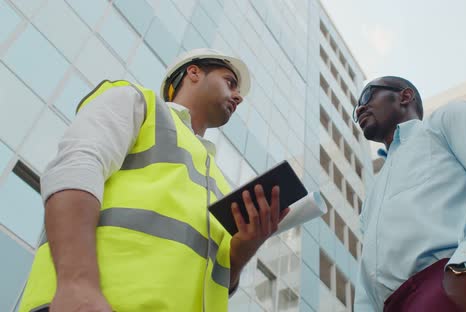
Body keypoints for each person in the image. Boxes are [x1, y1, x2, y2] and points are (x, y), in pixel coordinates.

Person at [19, 48, 289, 312]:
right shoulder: (137, 102)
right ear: (193, 72)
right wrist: (77, 284)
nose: (238, 96)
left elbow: (211, 279)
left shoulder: (218, 182)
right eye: (230, 82)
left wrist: (243, 250)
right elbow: (75, 167)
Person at [353, 76, 466, 312]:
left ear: (405, 96)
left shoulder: (444, 121)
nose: (360, 108)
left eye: (368, 96)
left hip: (459, 286)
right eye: (356, 107)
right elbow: (366, 275)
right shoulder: (372, 195)